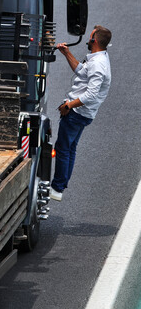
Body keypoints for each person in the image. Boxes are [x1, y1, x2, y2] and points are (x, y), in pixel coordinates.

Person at [49, 26, 112, 201]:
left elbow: (91, 94)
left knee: (62, 148)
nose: (87, 39)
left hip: (77, 113)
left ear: (95, 41)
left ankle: (57, 187)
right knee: (69, 149)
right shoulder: (97, 59)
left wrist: (69, 106)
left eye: (90, 37)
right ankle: (60, 185)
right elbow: (81, 72)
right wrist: (66, 53)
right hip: (82, 113)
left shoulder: (98, 64)